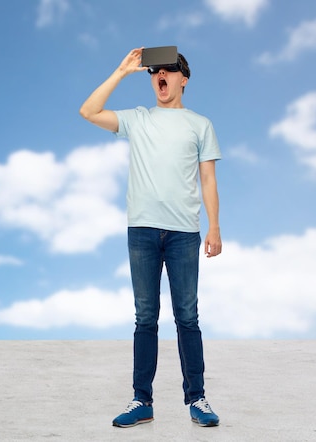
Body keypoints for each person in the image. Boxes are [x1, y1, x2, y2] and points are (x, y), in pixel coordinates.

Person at [79, 47, 222, 428]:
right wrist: (122, 71)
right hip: (142, 231)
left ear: (183, 79)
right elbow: (88, 112)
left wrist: (215, 227)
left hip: (184, 235)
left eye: (168, 70)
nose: (160, 75)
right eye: (154, 71)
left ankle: (198, 399)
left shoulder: (200, 125)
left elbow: (208, 179)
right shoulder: (138, 120)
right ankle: (141, 400)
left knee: (187, 317)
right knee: (145, 318)